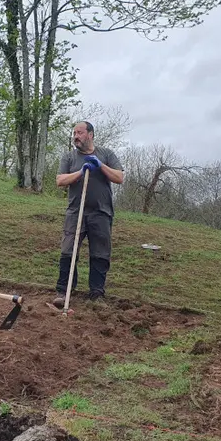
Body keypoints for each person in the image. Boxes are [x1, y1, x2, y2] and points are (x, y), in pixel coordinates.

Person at [53, 121, 125, 306]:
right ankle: (64, 291)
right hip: (75, 212)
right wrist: (81, 172)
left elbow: (119, 177)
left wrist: (100, 165)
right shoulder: (69, 157)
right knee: (68, 250)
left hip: (101, 212)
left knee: (100, 253)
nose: (75, 136)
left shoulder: (106, 154)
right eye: (74, 133)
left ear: (90, 134)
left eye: (80, 132)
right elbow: (60, 180)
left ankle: (97, 294)